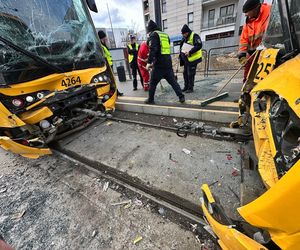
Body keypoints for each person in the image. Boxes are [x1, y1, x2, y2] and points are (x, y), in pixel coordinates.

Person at [145, 20, 185, 104]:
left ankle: (150, 100)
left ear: (150, 29)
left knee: (152, 83)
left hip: (159, 65)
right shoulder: (165, 35)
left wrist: (149, 62)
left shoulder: (154, 35)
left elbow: (153, 49)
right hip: (167, 62)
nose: (149, 34)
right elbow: (163, 48)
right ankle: (181, 96)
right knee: (173, 82)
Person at [238, 0, 271, 83]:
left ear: (255, 9)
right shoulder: (248, 22)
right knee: (248, 72)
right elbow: (244, 39)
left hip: (268, 52)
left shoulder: (269, 12)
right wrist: (242, 54)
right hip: (253, 53)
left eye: (247, 12)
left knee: (264, 76)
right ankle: (246, 91)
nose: (245, 14)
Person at [98, 30, 123, 96]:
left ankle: (116, 92)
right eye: (104, 37)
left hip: (109, 65)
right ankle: (115, 93)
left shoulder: (103, 44)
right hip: (107, 66)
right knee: (111, 80)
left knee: (112, 80)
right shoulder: (101, 46)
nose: (106, 38)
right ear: (102, 37)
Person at [179, 24, 203, 93]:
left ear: (187, 32)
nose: (183, 35)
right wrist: (181, 55)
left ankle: (190, 88)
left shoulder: (194, 36)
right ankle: (186, 87)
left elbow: (199, 45)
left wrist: (190, 52)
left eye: (183, 34)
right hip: (187, 60)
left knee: (190, 74)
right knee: (185, 73)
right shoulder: (185, 38)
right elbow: (182, 47)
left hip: (193, 59)